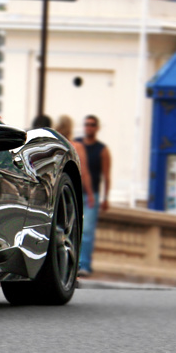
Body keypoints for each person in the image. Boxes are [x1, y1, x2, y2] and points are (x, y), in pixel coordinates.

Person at [75, 114, 111, 277]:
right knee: (73, 229)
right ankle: (73, 263)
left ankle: (85, 265)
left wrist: (105, 198)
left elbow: (106, 175)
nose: (89, 127)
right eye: (87, 124)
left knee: (87, 231)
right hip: (75, 193)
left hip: (92, 196)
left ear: (97, 128)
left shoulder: (102, 150)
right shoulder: (77, 143)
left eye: (92, 125)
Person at [55, 114, 96, 212]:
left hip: (54, 189)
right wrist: (90, 194)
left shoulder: (53, 145)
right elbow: (84, 171)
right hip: (70, 190)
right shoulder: (77, 147)